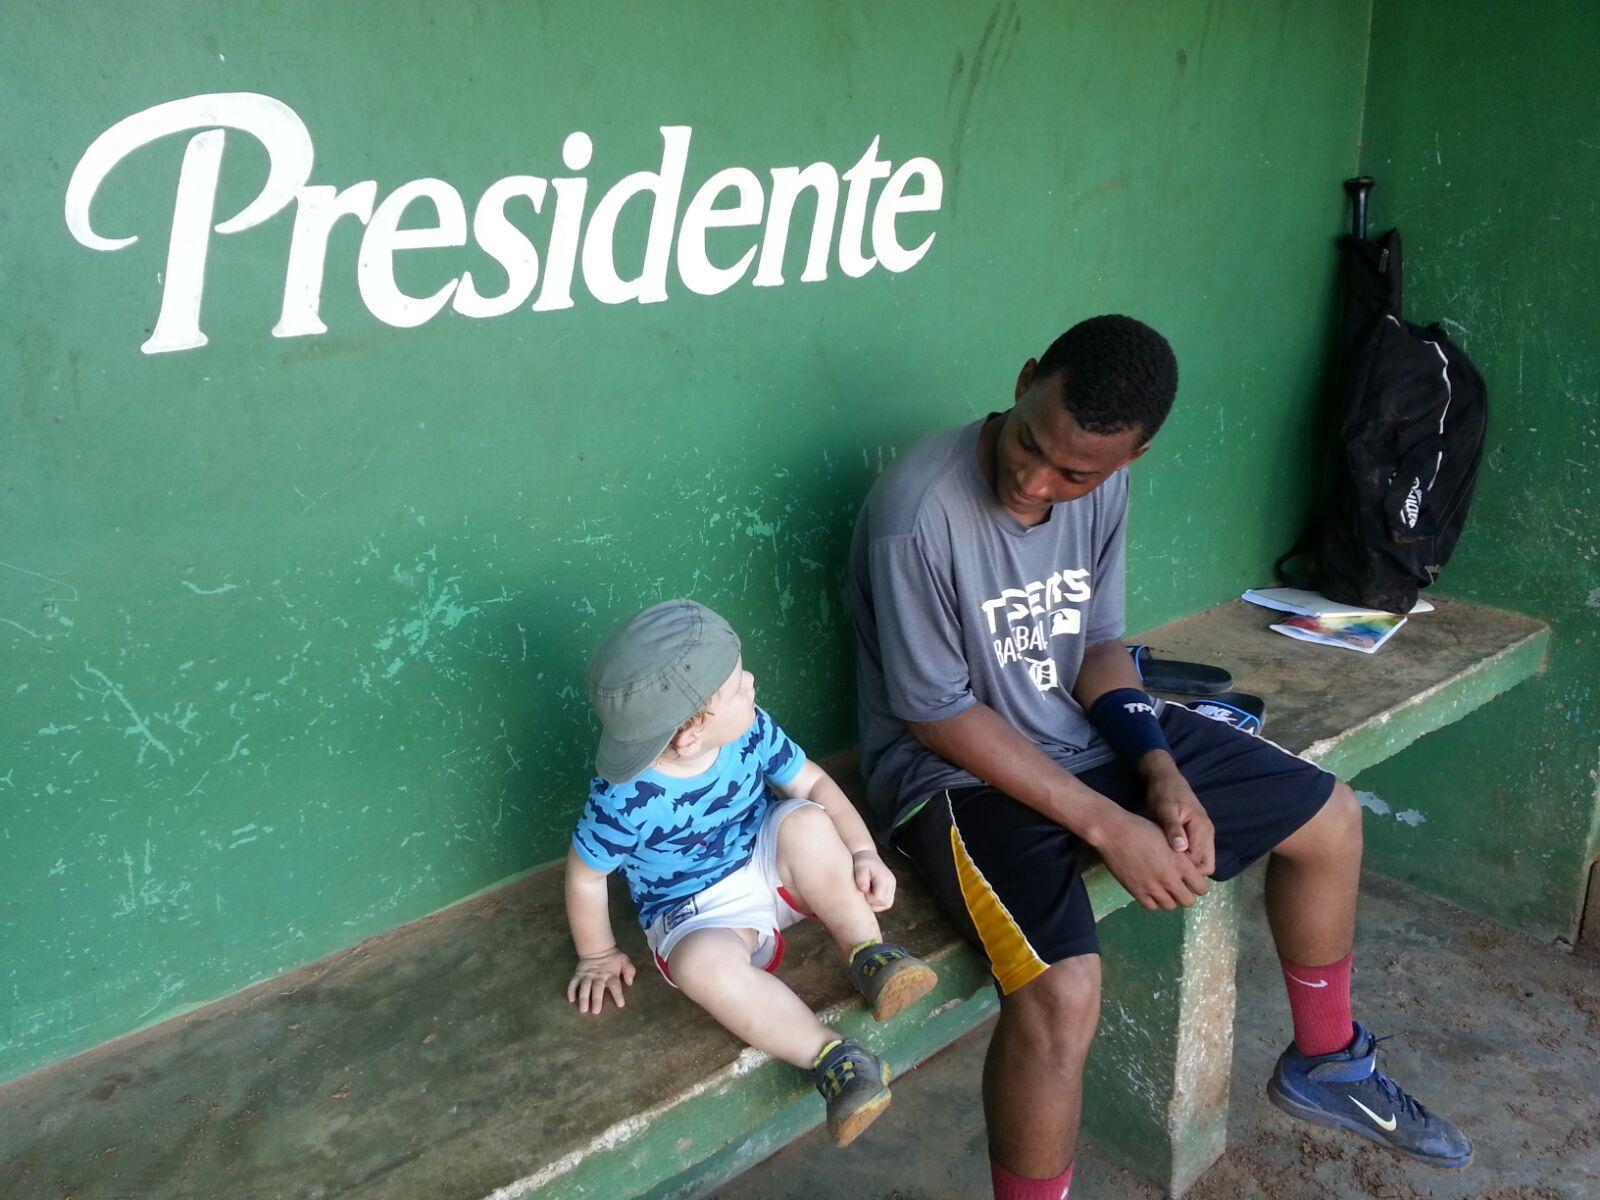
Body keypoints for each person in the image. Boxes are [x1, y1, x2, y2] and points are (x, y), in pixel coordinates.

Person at [846, 316, 1471, 1198]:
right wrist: (1108, 822)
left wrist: (1158, 771)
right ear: (1025, 379)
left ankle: (1327, 1063)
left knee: (1328, 819)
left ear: (1128, 458)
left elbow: (1101, 647)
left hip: (1078, 734)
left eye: (1074, 472)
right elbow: (935, 715)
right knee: (1062, 997)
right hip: (953, 778)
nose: (1034, 479)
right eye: (1030, 443)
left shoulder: (1101, 488)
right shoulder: (917, 510)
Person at [564, 599, 940, 1146]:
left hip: (770, 861)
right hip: (696, 910)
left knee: (808, 822)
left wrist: (861, 851)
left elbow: (812, 784)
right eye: (737, 686)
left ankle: (870, 954)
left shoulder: (751, 730)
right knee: (699, 967)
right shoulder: (622, 800)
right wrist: (596, 953)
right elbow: (585, 875)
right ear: (690, 735)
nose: (751, 682)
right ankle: (836, 1060)